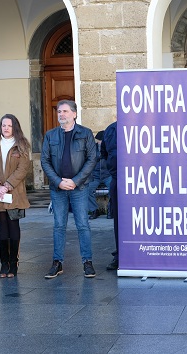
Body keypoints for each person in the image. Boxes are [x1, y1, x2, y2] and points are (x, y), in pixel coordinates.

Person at [40, 100, 98, 279]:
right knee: (59, 226)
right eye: (59, 111)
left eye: (65, 111)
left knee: (82, 225)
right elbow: (45, 160)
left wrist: (75, 181)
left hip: (79, 187)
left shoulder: (85, 133)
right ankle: (57, 263)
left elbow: (92, 159)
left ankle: (87, 262)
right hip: (58, 189)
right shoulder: (51, 136)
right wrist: (58, 181)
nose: (61, 114)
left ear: (74, 114)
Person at [0, 114, 31, 278]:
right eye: (3, 125)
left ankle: (14, 264)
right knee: (2, 227)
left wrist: (8, 186)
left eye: (9, 125)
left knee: (13, 225)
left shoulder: (22, 145)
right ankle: (4, 264)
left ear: (15, 127)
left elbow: (23, 169)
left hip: (14, 193)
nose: (6, 128)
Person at [102, 121, 119, 271]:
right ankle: (119, 256)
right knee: (119, 220)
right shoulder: (111, 129)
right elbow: (105, 154)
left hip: (143, 182)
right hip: (118, 180)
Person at [86, 130, 106, 220]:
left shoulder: (109, 147)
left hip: (107, 175)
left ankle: (111, 210)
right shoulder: (92, 149)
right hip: (95, 176)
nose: (101, 142)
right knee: (88, 190)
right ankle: (94, 210)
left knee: (115, 189)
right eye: (99, 140)